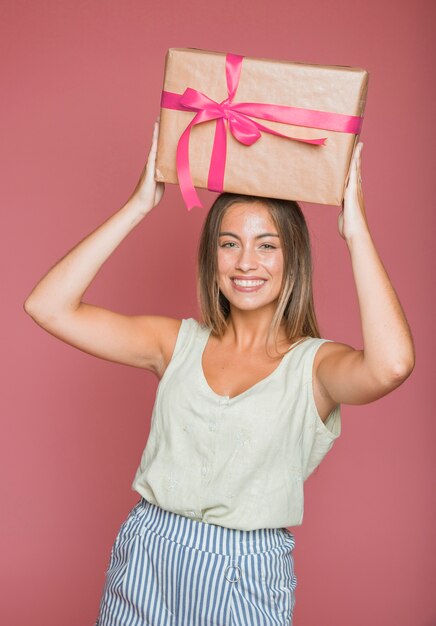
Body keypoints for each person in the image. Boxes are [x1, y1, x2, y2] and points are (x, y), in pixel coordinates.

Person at [24, 120, 415, 626]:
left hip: (243, 568)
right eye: (229, 244)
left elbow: (392, 365)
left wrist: (356, 230)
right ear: (212, 257)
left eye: (266, 245)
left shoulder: (315, 367)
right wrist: (140, 204)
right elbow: (48, 306)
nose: (246, 262)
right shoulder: (175, 343)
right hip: (147, 551)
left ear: (293, 258)